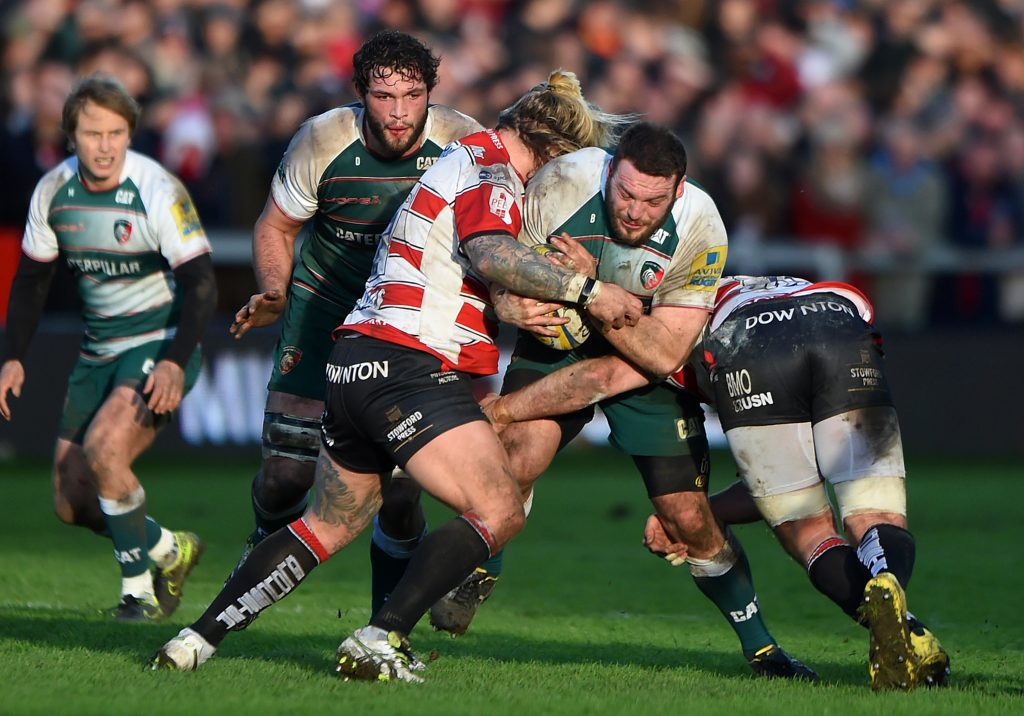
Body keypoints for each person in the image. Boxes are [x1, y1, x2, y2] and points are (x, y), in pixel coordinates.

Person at [152, 69, 642, 681]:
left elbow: (469, 269)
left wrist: (512, 303)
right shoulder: (492, 170)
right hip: (407, 365)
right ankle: (382, 635)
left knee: (326, 525)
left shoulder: (459, 163)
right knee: (499, 507)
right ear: (551, 151)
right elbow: (491, 252)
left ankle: (195, 640)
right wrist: (585, 290)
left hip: (357, 361)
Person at [453, 122, 815, 680]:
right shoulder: (563, 182)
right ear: (608, 170)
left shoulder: (702, 225)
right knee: (517, 459)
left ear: (678, 189)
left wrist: (596, 296)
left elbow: (665, 352)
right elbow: (499, 258)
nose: (634, 211)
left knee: (689, 518)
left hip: (643, 361)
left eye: (652, 200)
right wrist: (505, 301)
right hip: (557, 339)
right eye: (624, 193)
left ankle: (762, 648)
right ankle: (483, 567)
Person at [488, 274, 950, 690]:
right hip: (838, 315)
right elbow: (772, 487)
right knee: (872, 511)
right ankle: (889, 585)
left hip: (748, 343)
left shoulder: (672, 318)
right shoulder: (757, 282)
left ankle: (907, 630)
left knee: (807, 527)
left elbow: (599, 376)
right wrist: (704, 512)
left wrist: (505, 409)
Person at [222, 30, 484, 614]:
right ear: (360, 93)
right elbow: (276, 226)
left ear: (430, 94)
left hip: (407, 327)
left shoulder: (465, 142)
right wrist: (271, 289)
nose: (398, 112)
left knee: (399, 494)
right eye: (383, 97)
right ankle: (262, 553)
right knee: (285, 478)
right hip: (320, 315)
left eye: (412, 96)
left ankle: (385, 627)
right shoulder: (321, 140)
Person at [0, 74, 215, 621]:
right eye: (93, 133)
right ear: (71, 135)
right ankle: (171, 549)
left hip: (159, 342)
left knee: (106, 450)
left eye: (116, 132)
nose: (105, 145)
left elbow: (201, 284)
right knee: (71, 501)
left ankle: (138, 593)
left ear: (130, 134)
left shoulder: (157, 189)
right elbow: (31, 282)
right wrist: (13, 355)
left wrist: (174, 359)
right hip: (99, 350)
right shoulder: (53, 191)